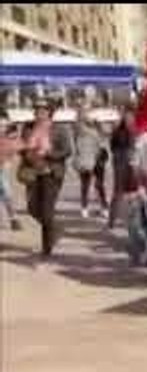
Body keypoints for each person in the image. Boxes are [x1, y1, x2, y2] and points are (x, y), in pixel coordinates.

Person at [21, 100, 71, 256]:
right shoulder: (28, 128)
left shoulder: (60, 129)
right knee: (32, 208)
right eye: (37, 110)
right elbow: (21, 147)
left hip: (52, 172)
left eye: (43, 110)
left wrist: (48, 153)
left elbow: (66, 151)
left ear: (50, 112)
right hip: (33, 172)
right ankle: (55, 229)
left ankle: (46, 247)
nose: (39, 113)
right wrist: (27, 153)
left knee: (47, 211)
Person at [74, 112, 108, 219]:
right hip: (91, 161)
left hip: (92, 161)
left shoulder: (81, 133)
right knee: (94, 185)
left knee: (90, 186)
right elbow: (102, 147)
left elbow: (102, 146)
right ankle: (101, 208)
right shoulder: (84, 133)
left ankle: (88, 208)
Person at [108, 108, 137, 229]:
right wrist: (119, 156)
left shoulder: (135, 130)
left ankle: (130, 219)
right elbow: (113, 147)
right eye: (127, 117)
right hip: (121, 162)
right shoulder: (119, 131)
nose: (129, 120)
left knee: (133, 192)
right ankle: (112, 219)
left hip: (133, 162)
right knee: (118, 191)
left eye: (131, 117)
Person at [0, 110, 24, 231]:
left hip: (4, 166)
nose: (2, 128)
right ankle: (12, 219)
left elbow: (19, 148)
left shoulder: (11, 137)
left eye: (4, 125)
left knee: (6, 192)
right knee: (4, 191)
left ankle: (13, 218)